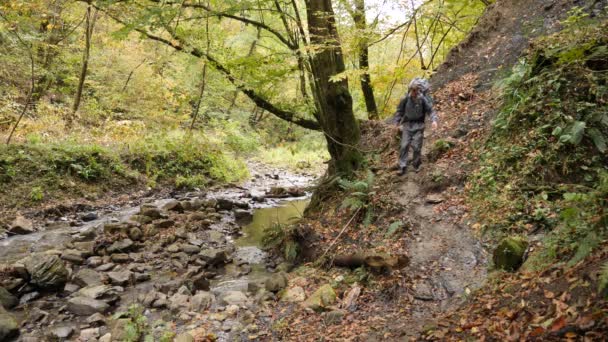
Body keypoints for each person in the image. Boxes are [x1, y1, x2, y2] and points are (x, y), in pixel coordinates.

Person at [393, 79, 438, 176]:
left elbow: (430, 110)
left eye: (415, 91)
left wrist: (434, 120)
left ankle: (416, 165)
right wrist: (396, 122)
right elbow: (399, 111)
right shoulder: (405, 99)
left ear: (418, 91)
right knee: (404, 145)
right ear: (409, 90)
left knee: (417, 147)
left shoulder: (422, 99)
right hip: (407, 125)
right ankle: (402, 167)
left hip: (419, 125)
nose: (413, 93)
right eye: (412, 91)